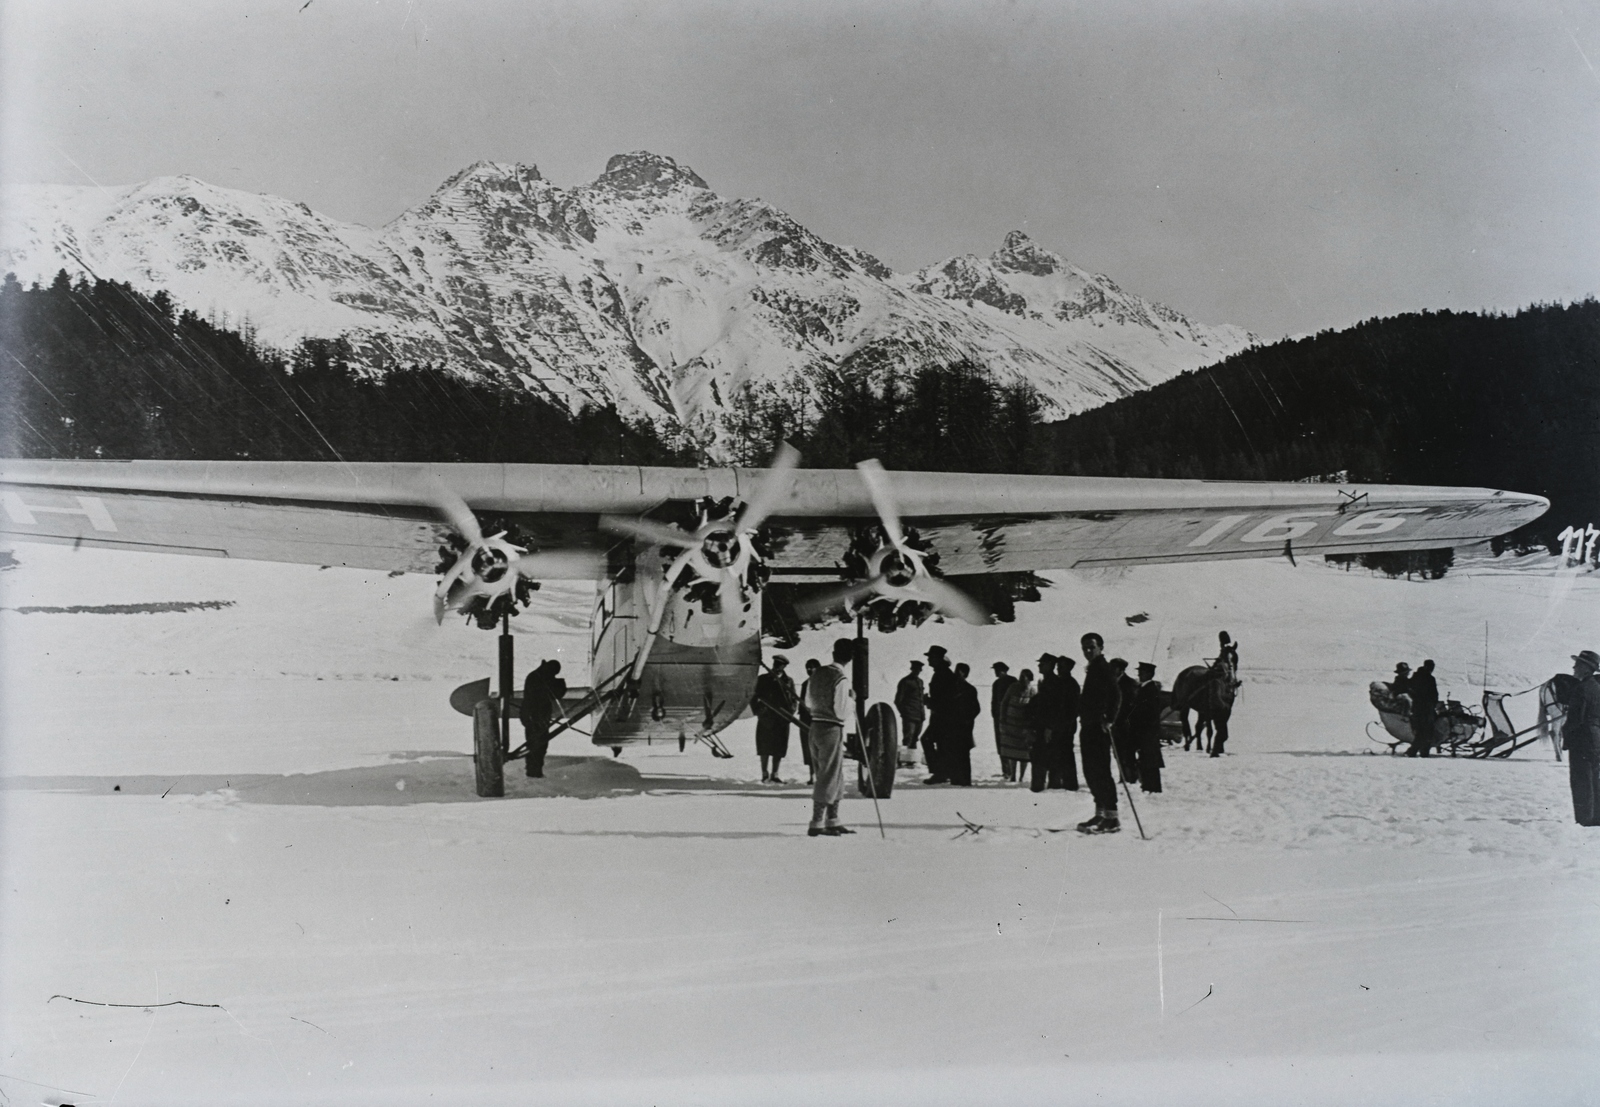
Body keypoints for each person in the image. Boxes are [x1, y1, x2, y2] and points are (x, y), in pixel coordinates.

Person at [804, 638, 857, 836]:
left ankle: (833, 820)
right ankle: (817, 823)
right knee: (829, 774)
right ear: (849, 658)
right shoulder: (840, 679)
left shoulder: (817, 673)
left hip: (815, 727)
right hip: (831, 728)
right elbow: (841, 712)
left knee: (833, 774)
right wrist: (851, 699)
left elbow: (808, 702)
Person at [1077, 633, 1123, 833]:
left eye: (1091, 647)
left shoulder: (1103, 668)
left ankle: (1112, 817)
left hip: (1098, 728)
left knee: (1101, 772)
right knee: (1091, 771)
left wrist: (1110, 719)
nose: (1088, 651)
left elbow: (1116, 695)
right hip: (1088, 726)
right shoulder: (1094, 668)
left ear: (1101, 647)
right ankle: (1101, 813)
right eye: (1085, 647)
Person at [1563, 649, 1600, 826]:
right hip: (1595, 739)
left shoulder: (1581, 689)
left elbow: (1575, 719)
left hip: (1581, 740)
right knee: (1594, 778)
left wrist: (1566, 735)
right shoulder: (1596, 687)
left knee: (1580, 779)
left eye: (1577, 664)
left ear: (1586, 668)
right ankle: (1596, 817)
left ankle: (1585, 819)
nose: (1574, 667)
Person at [752, 656, 798, 784]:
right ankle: (764, 773)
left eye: (780, 665)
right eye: (776, 664)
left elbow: (793, 699)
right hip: (766, 718)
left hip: (782, 719)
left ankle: (775, 774)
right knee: (764, 747)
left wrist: (790, 713)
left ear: (784, 667)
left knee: (779, 748)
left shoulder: (788, 681)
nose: (777, 667)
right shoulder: (763, 679)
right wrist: (758, 711)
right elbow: (753, 697)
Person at [519, 659, 566, 778]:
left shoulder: (538, 676)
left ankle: (534, 770)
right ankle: (534, 771)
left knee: (538, 744)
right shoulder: (537, 678)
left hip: (535, 716)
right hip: (535, 716)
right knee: (537, 745)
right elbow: (549, 694)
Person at [922, 645, 957, 784]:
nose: (928, 659)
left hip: (942, 717)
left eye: (930, 657)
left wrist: (929, 702)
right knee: (941, 745)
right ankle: (942, 772)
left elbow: (945, 699)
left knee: (928, 740)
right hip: (941, 716)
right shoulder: (942, 673)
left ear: (937, 658)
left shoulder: (943, 674)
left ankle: (939, 772)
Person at [1028, 653, 1063, 792]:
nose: (1039, 666)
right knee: (1040, 760)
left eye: (1042, 663)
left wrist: (1050, 727)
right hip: (1041, 727)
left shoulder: (1055, 683)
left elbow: (1057, 708)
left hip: (1048, 729)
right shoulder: (1045, 681)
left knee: (1047, 762)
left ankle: (1045, 790)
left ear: (1050, 665)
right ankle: (1039, 788)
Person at [1130, 661, 1166, 793]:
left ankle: (1152, 787)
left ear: (1149, 674)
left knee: (1149, 760)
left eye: (1142, 672)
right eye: (1139, 671)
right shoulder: (1145, 688)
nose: (1139, 674)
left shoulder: (1149, 690)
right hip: (1146, 731)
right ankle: (1148, 785)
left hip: (1147, 731)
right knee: (1146, 759)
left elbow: (1147, 713)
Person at [996, 668, 1035, 782]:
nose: (1023, 679)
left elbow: (1034, 707)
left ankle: (1021, 777)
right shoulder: (1013, 687)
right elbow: (1004, 703)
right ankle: (1013, 775)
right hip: (1011, 725)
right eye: (1021, 676)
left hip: (1024, 727)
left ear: (1029, 679)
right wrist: (1002, 720)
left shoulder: (1032, 691)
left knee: (1024, 753)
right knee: (1012, 751)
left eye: (1025, 677)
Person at [947, 662, 981, 786]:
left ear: (964, 674)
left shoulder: (970, 690)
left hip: (964, 727)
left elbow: (976, 709)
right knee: (953, 752)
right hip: (952, 725)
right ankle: (955, 779)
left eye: (959, 671)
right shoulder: (950, 688)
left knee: (963, 754)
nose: (956, 673)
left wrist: (967, 719)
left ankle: (965, 780)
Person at [1109, 657, 1140, 785]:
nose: (1111, 670)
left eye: (1114, 668)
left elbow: (1130, 706)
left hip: (1126, 725)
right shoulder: (1111, 683)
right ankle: (1123, 777)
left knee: (1128, 753)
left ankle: (1131, 778)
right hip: (1115, 725)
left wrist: (1120, 720)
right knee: (1118, 753)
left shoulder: (1129, 684)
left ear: (1120, 670)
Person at [1056, 656, 1081, 790]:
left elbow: (1073, 708)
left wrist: (1065, 723)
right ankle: (1064, 781)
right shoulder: (1062, 682)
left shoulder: (1071, 684)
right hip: (1062, 724)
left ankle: (1069, 783)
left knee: (1066, 754)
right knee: (1062, 753)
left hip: (1067, 725)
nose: (1058, 669)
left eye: (1061, 667)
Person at [1406, 659, 1440, 757]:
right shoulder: (1430, 678)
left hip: (1417, 707)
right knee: (1427, 731)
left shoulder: (1415, 677)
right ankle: (1418, 751)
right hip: (1426, 708)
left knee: (1421, 731)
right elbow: (1434, 694)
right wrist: (1433, 704)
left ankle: (1416, 751)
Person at [895, 660, 927, 761]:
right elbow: (898, 700)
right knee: (908, 739)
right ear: (912, 669)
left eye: (919, 670)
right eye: (916, 669)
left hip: (920, 716)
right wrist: (905, 713)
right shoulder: (905, 682)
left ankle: (912, 760)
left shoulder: (920, 682)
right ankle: (904, 761)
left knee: (914, 740)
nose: (917, 671)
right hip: (910, 716)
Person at [990, 662, 1017, 778]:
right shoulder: (996, 683)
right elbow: (994, 700)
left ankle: (1009, 771)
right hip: (1000, 717)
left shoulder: (1012, 681)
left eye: (996, 670)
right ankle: (1006, 771)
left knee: (1007, 743)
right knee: (1001, 743)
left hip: (1008, 717)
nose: (995, 672)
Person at [797, 658, 821, 785]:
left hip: (819, 719)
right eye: (807, 667)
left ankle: (820, 775)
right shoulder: (805, 684)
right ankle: (812, 775)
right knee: (808, 749)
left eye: (812, 667)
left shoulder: (823, 683)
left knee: (819, 748)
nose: (809, 670)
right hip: (806, 720)